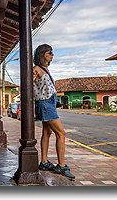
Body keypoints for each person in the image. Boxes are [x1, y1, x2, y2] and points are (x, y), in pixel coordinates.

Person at [33, 44, 75, 180]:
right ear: (42, 54)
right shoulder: (36, 69)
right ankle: (61, 166)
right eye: (50, 53)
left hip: (49, 102)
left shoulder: (45, 69)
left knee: (47, 132)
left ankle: (44, 162)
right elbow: (27, 85)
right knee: (61, 133)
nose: (52, 55)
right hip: (45, 103)